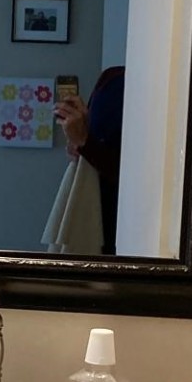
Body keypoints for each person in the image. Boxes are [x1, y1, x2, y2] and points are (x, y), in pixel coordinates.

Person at [54, 66, 125, 254]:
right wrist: (80, 142)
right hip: (102, 217)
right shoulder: (111, 78)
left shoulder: (115, 81)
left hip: (120, 227)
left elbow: (132, 178)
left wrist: (84, 142)